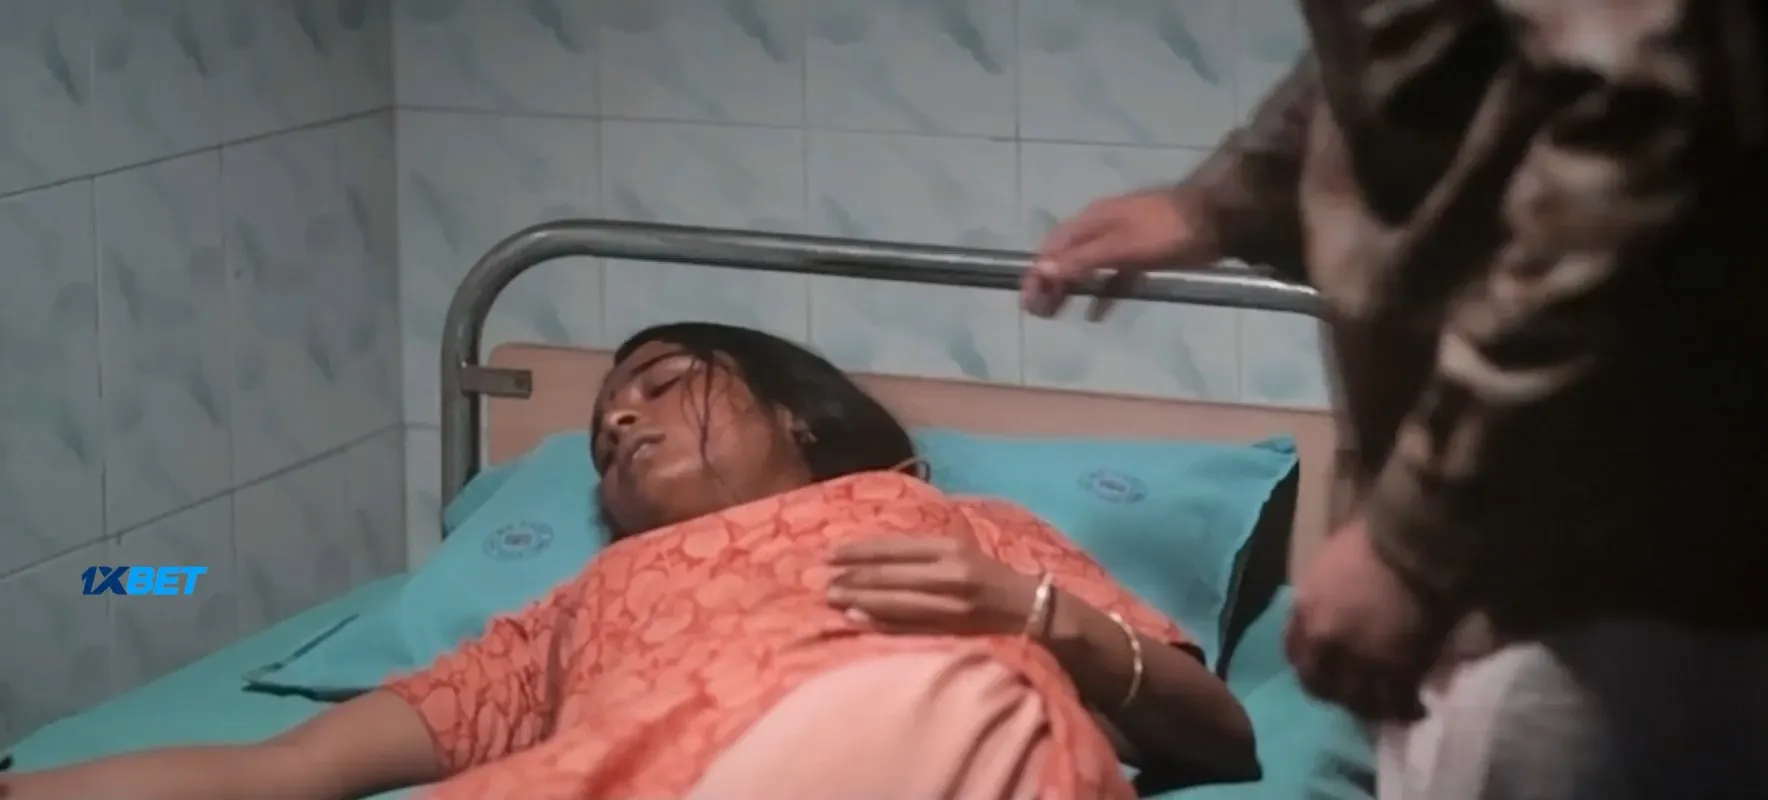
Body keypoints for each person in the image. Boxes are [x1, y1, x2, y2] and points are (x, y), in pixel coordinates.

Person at [1025, 1, 1768, 797]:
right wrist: (1230, 200)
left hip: (1611, 540)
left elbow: (1649, 102)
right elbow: (1436, 41)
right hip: (1758, 506)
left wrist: (1417, 534)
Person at [2, 322, 1255, 800]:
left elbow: (1220, 736)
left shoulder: (939, 513)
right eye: (606, 428)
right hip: (641, 771)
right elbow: (287, 767)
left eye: (661, 383)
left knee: (966, 708)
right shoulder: (580, 602)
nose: (622, 417)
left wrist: (1036, 613)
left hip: (907, 735)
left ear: (798, 412)